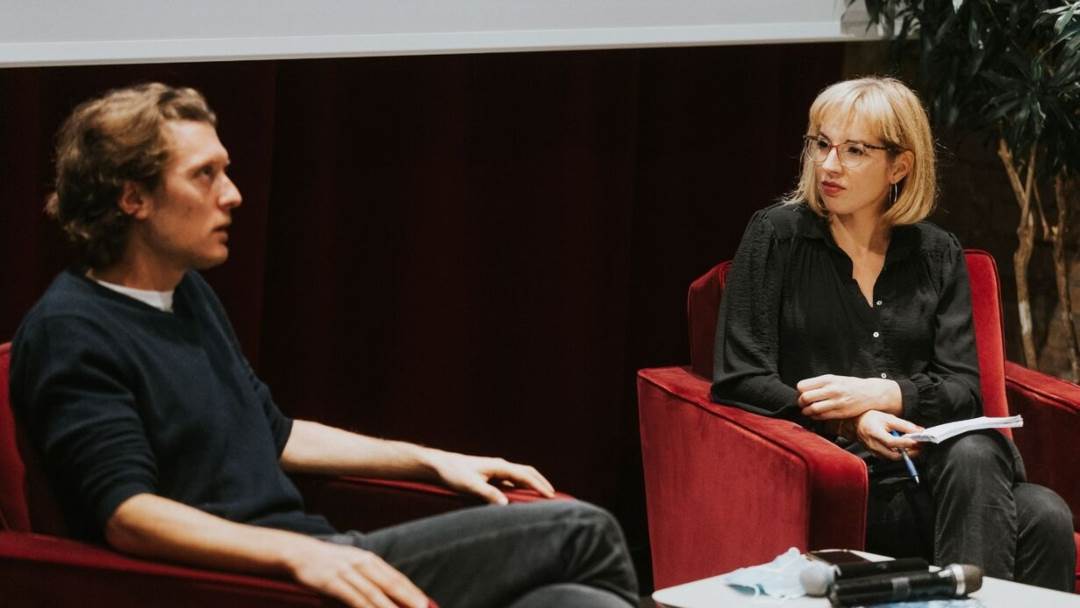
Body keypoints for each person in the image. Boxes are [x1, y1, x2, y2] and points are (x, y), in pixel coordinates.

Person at [10, 83, 638, 608]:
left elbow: (273, 432)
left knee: (577, 602)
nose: (233, 194)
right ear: (133, 198)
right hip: (258, 583)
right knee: (583, 529)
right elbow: (127, 514)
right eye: (205, 175)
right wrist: (299, 554)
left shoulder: (186, 293)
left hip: (312, 557)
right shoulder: (71, 330)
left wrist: (430, 460)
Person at [710, 76, 1074, 591]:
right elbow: (740, 377)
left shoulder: (936, 253)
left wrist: (886, 393)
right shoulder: (777, 236)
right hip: (851, 480)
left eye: (854, 150)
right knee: (1043, 513)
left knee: (1026, 496)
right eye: (821, 144)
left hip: (942, 476)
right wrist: (850, 420)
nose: (829, 164)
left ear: (900, 166)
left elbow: (964, 391)